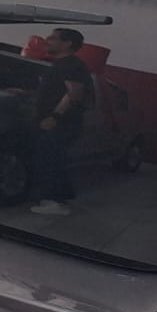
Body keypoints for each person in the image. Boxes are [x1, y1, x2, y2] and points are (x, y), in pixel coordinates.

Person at [29, 28, 92, 216]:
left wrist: (55, 117)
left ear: (67, 44)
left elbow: (74, 94)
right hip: (57, 122)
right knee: (53, 158)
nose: (47, 40)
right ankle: (60, 198)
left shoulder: (72, 65)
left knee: (49, 159)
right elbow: (54, 92)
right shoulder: (60, 65)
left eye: (53, 38)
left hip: (62, 124)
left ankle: (53, 202)